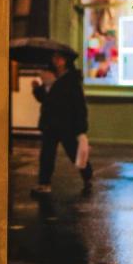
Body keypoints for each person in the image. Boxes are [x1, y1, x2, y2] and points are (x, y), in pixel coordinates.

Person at [31, 51, 93, 196]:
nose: (56, 60)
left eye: (59, 58)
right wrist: (38, 88)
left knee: (74, 152)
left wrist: (81, 129)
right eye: (54, 57)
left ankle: (87, 177)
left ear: (65, 61)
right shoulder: (50, 77)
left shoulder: (71, 80)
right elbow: (46, 100)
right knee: (46, 154)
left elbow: (79, 105)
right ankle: (44, 183)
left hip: (67, 124)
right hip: (50, 124)